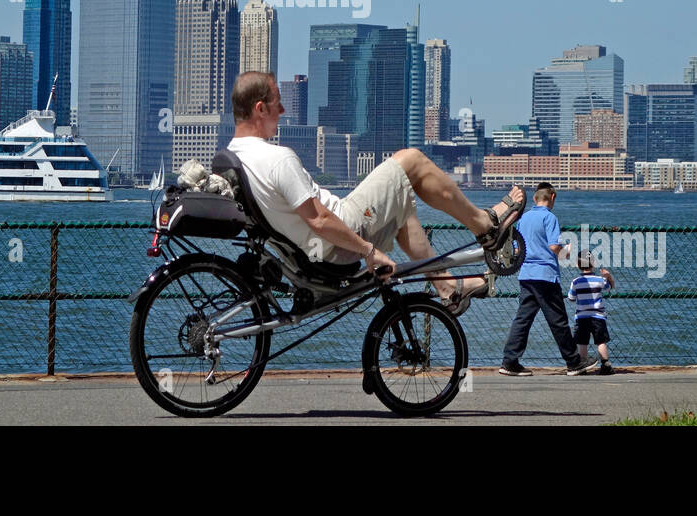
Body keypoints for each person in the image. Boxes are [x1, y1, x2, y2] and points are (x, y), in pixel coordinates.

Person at [225, 72, 523, 314]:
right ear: (260, 108)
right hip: (339, 238)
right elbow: (319, 220)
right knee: (412, 161)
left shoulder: (234, 157)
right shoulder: (276, 158)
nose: (283, 110)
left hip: (313, 249)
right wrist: (368, 251)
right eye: (277, 102)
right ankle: (486, 226)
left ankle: (447, 289)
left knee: (400, 199)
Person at [499, 183, 596, 376]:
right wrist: (566, 251)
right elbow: (554, 247)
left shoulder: (524, 218)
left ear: (535, 199)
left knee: (522, 320)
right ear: (552, 197)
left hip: (526, 274)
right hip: (545, 276)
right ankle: (573, 362)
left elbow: (517, 248)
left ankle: (509, 361)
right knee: (558, 321)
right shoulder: (549, 217)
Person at [569, 252, 616, 375]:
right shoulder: (599, 280)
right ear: (593, 264)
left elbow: (571, 298)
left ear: (577, 265)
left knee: (582, 342)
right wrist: (608, 277)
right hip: (598, 317)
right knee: (601, 341)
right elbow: (610, 287)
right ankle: (605, 365)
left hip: (581, 316)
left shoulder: (576, 281)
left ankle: (583, 365)